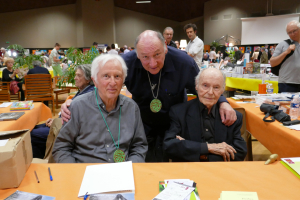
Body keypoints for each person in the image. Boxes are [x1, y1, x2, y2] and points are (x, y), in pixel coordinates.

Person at [61, 30, 237, 162]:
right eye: (145, 57)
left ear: (165, 48)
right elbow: (102, 84)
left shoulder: (184, 62)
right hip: (142, 123)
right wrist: (72, 102)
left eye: (157, 55)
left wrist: (223, 102)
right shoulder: (126, 62)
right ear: (136, 54)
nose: (152, 63)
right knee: (147, 163)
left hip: (175, 126)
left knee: (178, 166)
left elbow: (205, 87)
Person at [52, 54, 148, 163]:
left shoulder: (131, 108)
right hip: (85, 172)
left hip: (122, 172)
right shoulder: (78, 107)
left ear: (123, 81)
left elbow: (139, 146)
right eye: (106, 76)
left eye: (117, 76)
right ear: (95, 81)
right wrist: (75, 174)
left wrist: (130, 168)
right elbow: (61, 147)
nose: (112, 82)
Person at [164, 68, 247, 162]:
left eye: (216, 87)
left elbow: (240, 153)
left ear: (222, 90)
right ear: (196, 86)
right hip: (188, 171)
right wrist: (209, 148)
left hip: (222, 172)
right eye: (205, 86)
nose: (210, 92)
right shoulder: (179, 112)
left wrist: (193, 150)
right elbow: (170, 147)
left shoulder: (232, 116)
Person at [31, 64, 95, 159]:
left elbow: (76, 118)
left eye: (79, 75)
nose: (75, 78)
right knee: (34, 128)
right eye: (75, 75)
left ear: (89, 79)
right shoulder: (83, 89)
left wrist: (56, 122)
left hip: (68, 129)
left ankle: (42, 162)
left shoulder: (87, 94)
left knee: (32, 135)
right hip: (65, 124)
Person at [270, 20, 300, 93]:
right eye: (289, 32)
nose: (292, 34)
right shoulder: (283, 44)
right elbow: (272, 62)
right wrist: (286, 52)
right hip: (286, 83)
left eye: (294, 31)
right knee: (285, 104)